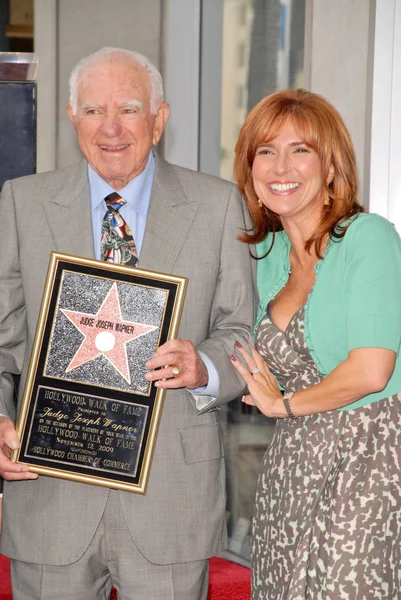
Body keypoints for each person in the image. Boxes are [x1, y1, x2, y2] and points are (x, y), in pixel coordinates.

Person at [0, 47, 254, 600]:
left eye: (130, 109)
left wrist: (203, 365)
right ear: (71, 116)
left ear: (160, 119)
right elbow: (2, 341)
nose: (110, 128)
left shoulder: (218, 207)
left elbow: (241, 333)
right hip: (50, 494)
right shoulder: (21, 202)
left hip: (170, 501)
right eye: (93, 111)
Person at [230, 88, 401, 599]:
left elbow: (372, 370)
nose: (281, 165)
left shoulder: (369, 238)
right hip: (291, 468)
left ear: (331, 168)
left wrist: (282, 405)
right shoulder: (265, 252)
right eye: (266, 150)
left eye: (300, 149)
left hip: (369, 462)